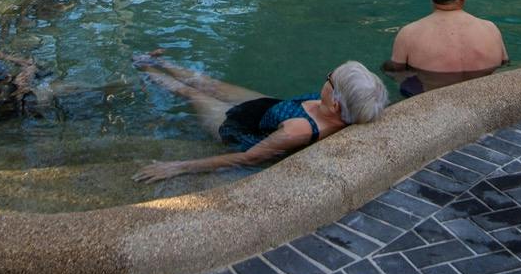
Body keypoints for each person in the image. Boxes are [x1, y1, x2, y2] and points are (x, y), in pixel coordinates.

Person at [131, 53, 387, 183]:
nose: (327, 77)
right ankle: (156, 60)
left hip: (237, 126)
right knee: (206, 83)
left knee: (189, 92)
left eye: (330, 79)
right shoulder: (343, 107)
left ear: (335, 104)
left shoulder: (297, 131)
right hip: (269, 109)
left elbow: (247, 157)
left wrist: (176, 167)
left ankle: (142, 67)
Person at [384, 0, 508, 96]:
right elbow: (506, 72)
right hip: (486, 110)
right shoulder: (491, 30)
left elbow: (397, 78)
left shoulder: (408, 36)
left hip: (437, 112)